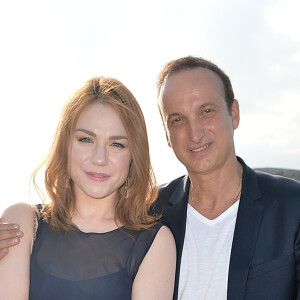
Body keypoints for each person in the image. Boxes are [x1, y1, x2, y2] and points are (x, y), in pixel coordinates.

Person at [1, 56, 300, 299]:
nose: (194, 133)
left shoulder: (292, 206)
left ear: (233, 113)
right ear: (167, 136)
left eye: (206, 111)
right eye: (178, 120)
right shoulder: (151, 213)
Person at [0, 76, 176, 300]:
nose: (99, 159)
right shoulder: (22, 222)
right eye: (86, 140)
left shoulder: (155, 243)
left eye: (116, 144)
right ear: (65, 144)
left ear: (134, 155)